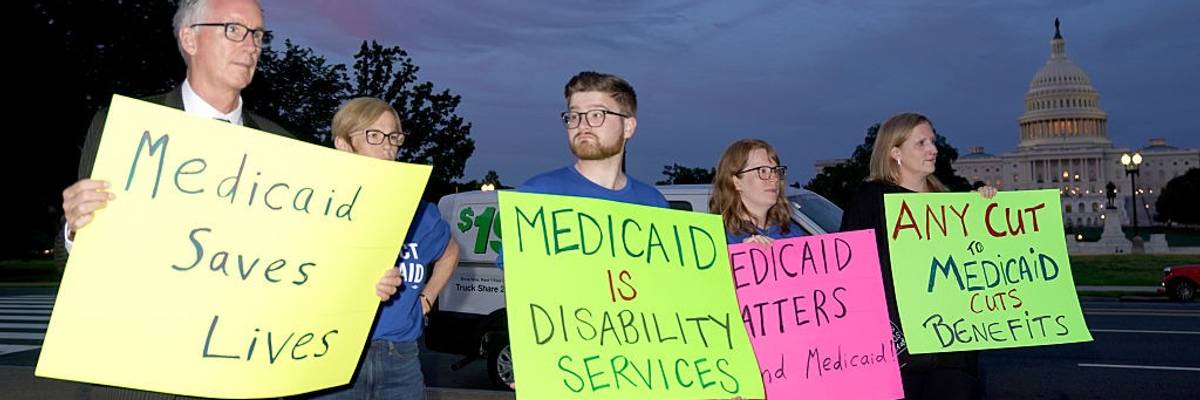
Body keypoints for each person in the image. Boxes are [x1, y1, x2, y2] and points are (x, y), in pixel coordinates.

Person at [59, 0, 291, 255]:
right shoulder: (120, 128)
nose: (252, 47)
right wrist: (75, 231)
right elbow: (67, 256)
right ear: (190, 39)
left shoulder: (283, 146)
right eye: (233, 29)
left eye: (257, 34)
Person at [306, 97, 461, 400]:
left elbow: (451, 251)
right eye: (373, 136)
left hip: (401, 358)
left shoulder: (421, 212)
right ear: (343, 144)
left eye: (394, 136)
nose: (388, 146)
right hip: (332, 356)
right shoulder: (318, 207)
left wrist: (427, 298)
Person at [839, 112, 995, 400]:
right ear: (895, 152)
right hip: (896, 353)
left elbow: (979, 262)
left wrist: (987, 208)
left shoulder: (951, 203)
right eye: (921, 143)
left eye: (932, 141)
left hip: (952, 352)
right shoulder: (869, 200)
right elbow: (849, 272)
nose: (933, 149)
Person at [709, 139, 806, 245]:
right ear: (736, 182)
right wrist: (740, 255)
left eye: (776, 171)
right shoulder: (715, 240)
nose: (774, 178)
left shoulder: (793, 234)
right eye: (763, 170)